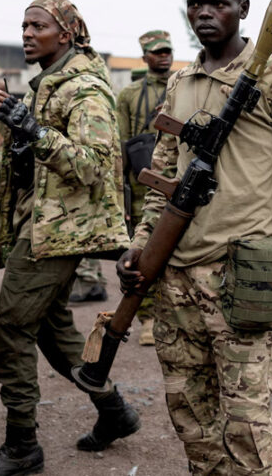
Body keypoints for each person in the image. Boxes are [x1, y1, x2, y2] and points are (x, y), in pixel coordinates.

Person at [117, 0, 272, 474]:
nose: (205, 12)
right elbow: (162, 180)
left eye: (218, 3)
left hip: (241, 277)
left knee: (246, 425)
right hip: (174, 281)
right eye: (196, 3)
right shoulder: (180, 83)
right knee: (191, 418)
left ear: (244, 10)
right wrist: (141, 245)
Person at [0, 0, 139, 476]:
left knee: (9, 332)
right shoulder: (46, 87)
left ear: (68, 33)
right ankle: (114, 411)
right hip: (41, 228)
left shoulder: (85, 91)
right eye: (24, 26)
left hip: (57, 235)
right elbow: (35, 167)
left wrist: (31, 127)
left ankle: (22, 447)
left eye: (38, 25)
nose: (27, 34)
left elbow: (92, 167)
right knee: (55, 335)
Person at [111, 30, 174, 345]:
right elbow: (120, 143)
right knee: (144, 249)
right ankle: (147, 317)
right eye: (157, 52)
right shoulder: (129, 95)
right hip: (142, 183)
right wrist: (119, 190)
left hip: (178, 177)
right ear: (145, 57)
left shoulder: (184, 86)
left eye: (167, 51)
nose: (164, 57)